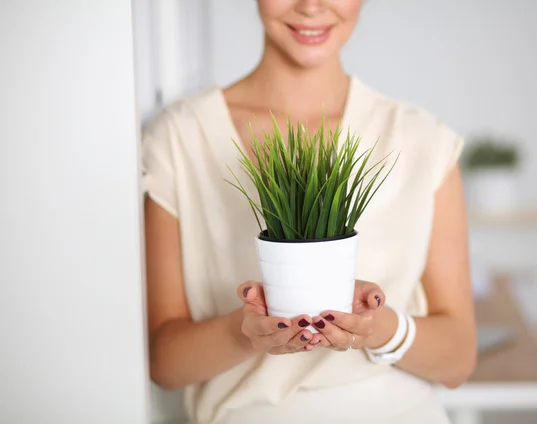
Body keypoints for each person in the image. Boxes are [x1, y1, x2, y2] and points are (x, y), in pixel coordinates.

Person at [142, 1, 476, 423]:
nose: (311, 6)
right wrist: (246, 331)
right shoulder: (178, 138)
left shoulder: (423, 140)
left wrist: (377, 327)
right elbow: (165, 363)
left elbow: (458, 361)